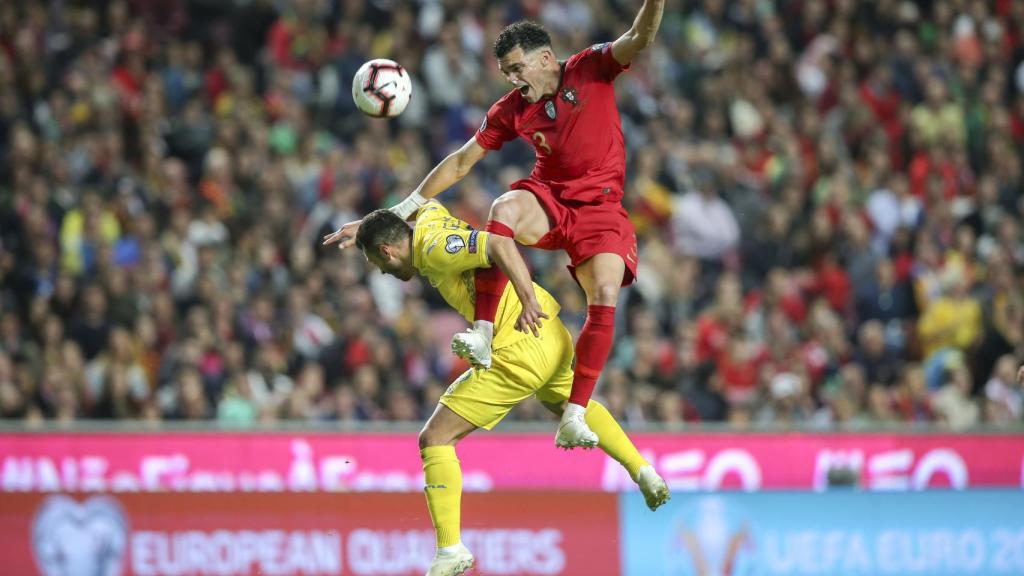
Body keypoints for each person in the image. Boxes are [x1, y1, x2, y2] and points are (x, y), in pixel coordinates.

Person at [325, 1, 666, 449]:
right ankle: (483, 334)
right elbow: (463, 161)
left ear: (545, 59)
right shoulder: (510, 108)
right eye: (506, 71)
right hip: (549, 199)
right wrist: (394, 214)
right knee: (502, 210)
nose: (512, 79)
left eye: (517, 68)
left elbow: (639, 37)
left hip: (601, 210)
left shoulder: (590, 68)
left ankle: (575, 414)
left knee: (603, 296)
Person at [353, 201, 670, 576]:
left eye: (378, 264)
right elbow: (425, 202)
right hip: (550, 334)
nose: (384, 273)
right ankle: (643, 471)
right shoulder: (428, 219)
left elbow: (497, 246)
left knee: (435, 438)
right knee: (568, 404)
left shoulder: (434, 248)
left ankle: (450, 549)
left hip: (521, 341)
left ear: (386, 250)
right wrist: (364, 223)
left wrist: (524, 302)